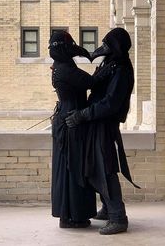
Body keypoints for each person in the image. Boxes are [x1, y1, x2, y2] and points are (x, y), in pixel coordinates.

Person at [66, 27, 140, 235]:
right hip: (96, 123)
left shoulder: (122, 69)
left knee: (105, 170)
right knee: (95, 167)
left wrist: (83, 115)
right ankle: (108, 209)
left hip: (104, 124)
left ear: (115, 46)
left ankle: (118, 217)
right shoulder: (111, 64)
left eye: (108, 44)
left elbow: (111, 103)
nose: (103, 47)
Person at [48, 30, 115, 229]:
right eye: (68, 44)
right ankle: (72, 216)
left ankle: (70, 215)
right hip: (71, 123)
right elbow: (91, 82)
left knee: (71, 168)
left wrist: (92, 56)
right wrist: (109, 65)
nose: (72, 46)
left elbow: (82, 68)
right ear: (63, 48)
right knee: (74, 168)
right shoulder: (64, 69)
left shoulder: (63, 65)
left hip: (69, 120)